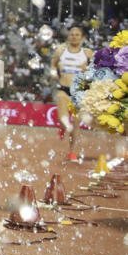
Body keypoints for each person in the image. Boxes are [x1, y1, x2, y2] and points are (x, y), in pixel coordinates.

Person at [50, 24, 93, 162]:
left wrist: (87, 69)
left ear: (82, 37)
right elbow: (53, 64)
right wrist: (54, 74)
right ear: (68, 36)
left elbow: (95, 72)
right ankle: (62, 127)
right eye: (72, 34)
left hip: (79, 92)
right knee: (64, 120)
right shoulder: (61, 50)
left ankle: (72, 152)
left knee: (75, 124)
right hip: (63, 89)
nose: (74, 37)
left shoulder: (87, 53)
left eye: (77, 35)